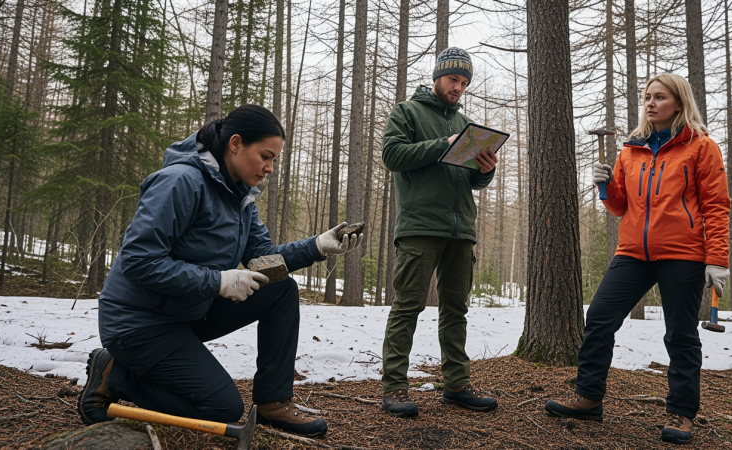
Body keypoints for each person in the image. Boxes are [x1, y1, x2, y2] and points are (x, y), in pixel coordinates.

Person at [76, 104, 362, 438]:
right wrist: (218, 282)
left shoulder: (239, 195)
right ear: (236, 143)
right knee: (221, 409)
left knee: (280, 289)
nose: (270, 169)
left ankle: (273, 402)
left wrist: (315, 246)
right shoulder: (180, 182)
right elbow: (139, 261)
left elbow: (262, 259)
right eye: (265, 156)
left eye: (275, 161)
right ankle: (115, 373)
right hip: (139, 324)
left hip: (187, 310)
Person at [544, 74, 731, 445]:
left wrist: (717, 259)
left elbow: (716, 206)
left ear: (679, 102)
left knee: (680, 333)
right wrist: (604, 184)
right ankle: (589, 397)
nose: (650, 103)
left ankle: (681, 412)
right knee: (598, 318)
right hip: (632, 252)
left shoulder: (701, 147)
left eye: (659, 97)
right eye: (647, 97)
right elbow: (619, 206)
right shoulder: (631, 150)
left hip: (683, 253)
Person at [379, 47, 499, 418]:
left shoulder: (466, 123)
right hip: (419, 227)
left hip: (461, 229)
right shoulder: (407, 111)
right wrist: (442, 145)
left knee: (455, 310)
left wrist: (486, 168)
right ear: (437, 77)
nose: (458, 87)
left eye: (464, 83)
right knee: (408, 305)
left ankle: (457, 385)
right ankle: (395, 387)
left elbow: (473, 181)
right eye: (453, 80)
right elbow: (392, 156)